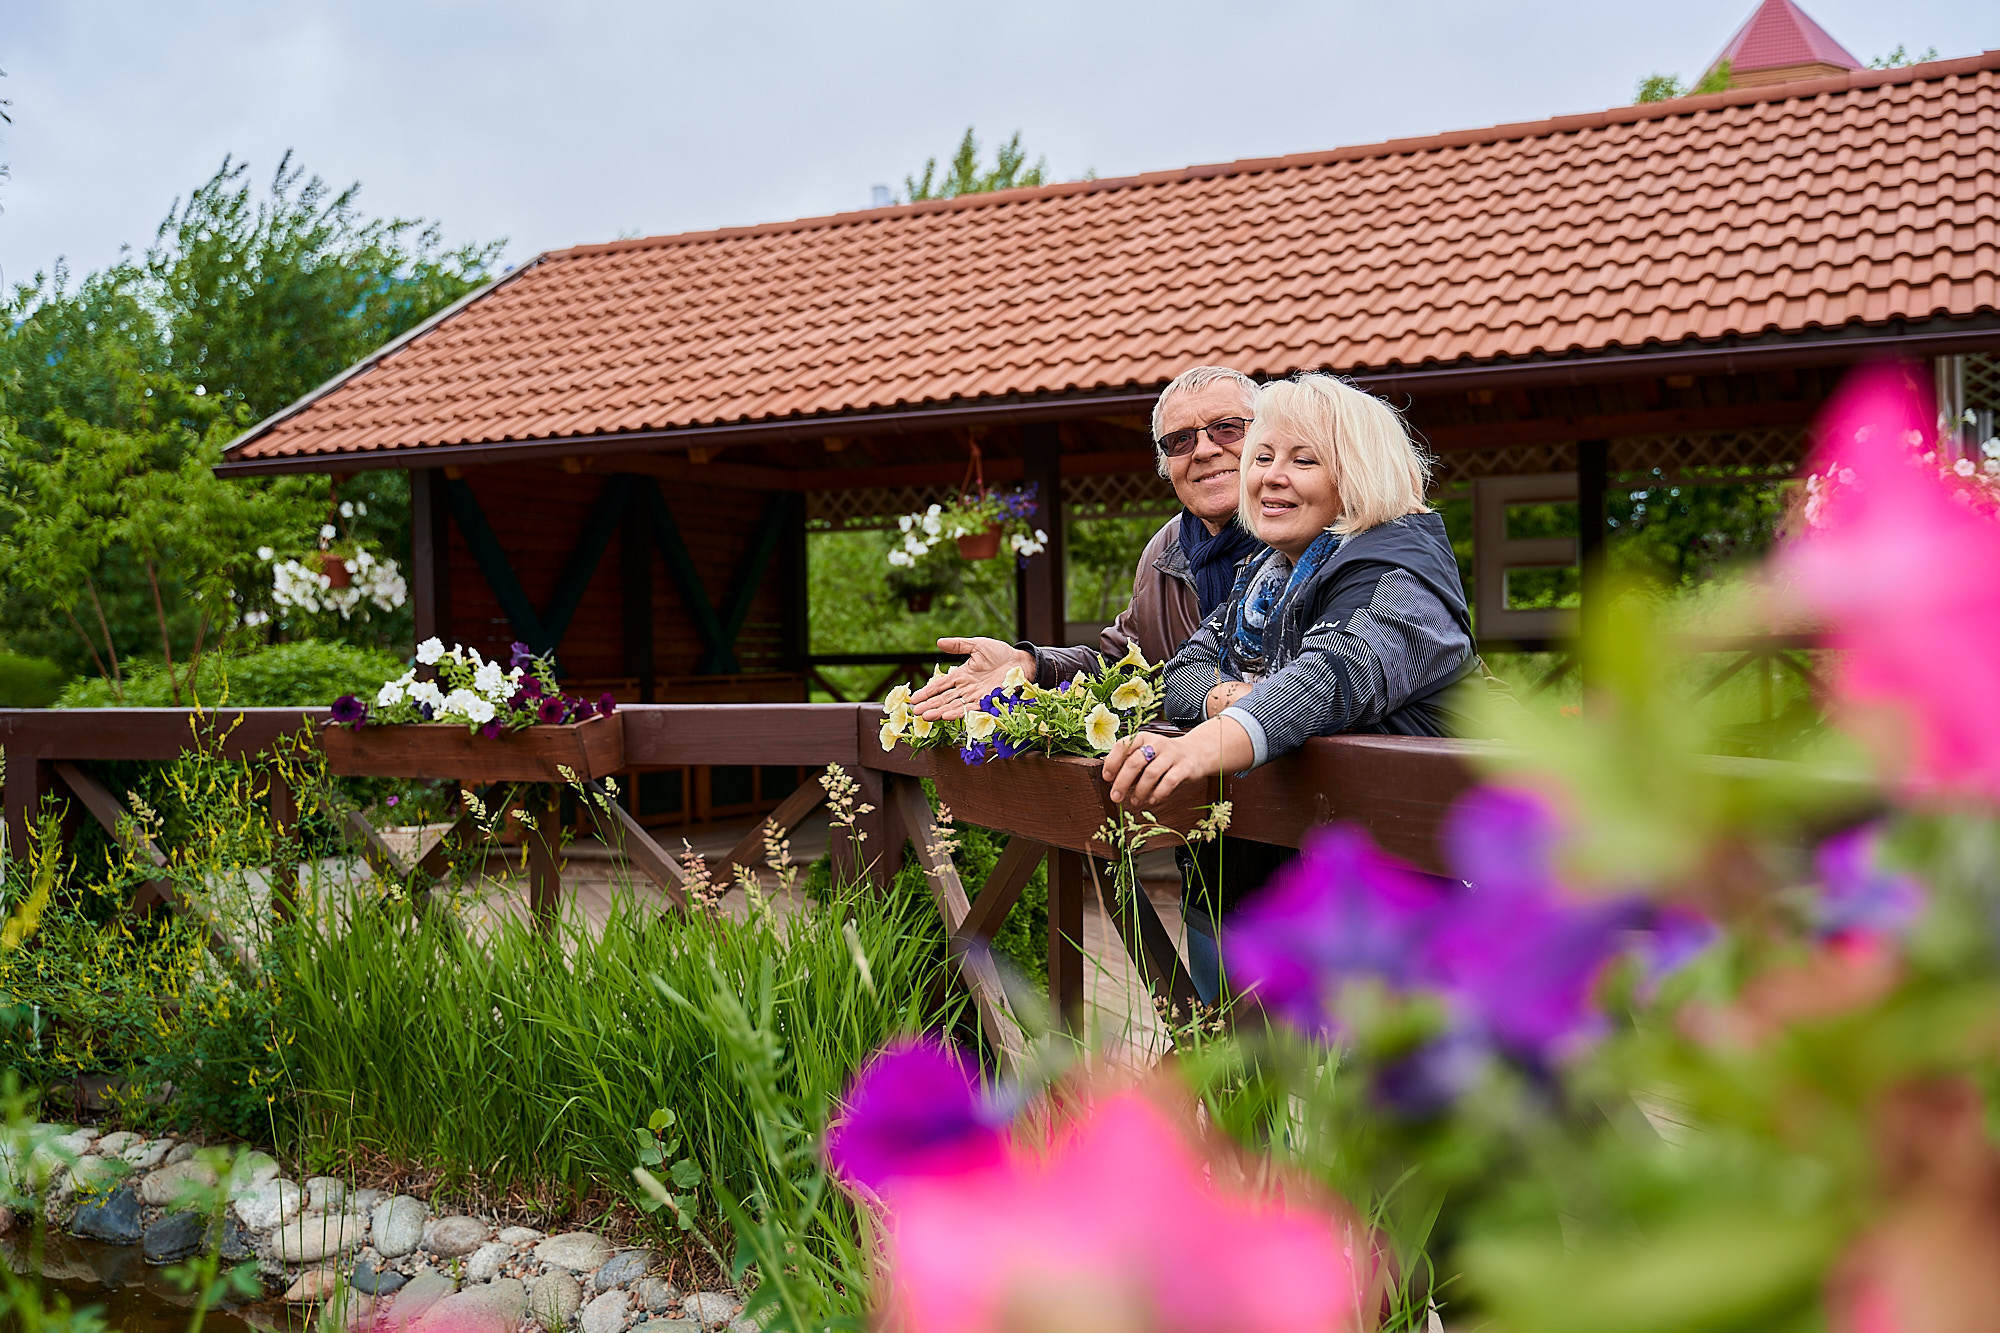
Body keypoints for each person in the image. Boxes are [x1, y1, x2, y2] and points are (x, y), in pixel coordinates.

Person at [1100, 371, 1476, 999]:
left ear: (1356, 474)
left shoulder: (1399, 572)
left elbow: (1334, 676)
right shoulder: (1266, 574)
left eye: (1303, 460)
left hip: (1406, 913)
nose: (1270, 477)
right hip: (1275, 889)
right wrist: (1224, 698)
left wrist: (1200, 744)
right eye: (1263, 457)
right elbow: (1181, 675)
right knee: (1238, 1052)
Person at [910, 365, 1266, 720]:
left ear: (1267, 438)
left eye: (1226, 429)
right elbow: (1121, 668)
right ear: (1165, 464)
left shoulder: (1296, 541)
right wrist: (1031, 664)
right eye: (1180, 440)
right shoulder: (1164, 550)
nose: (1203, 450)